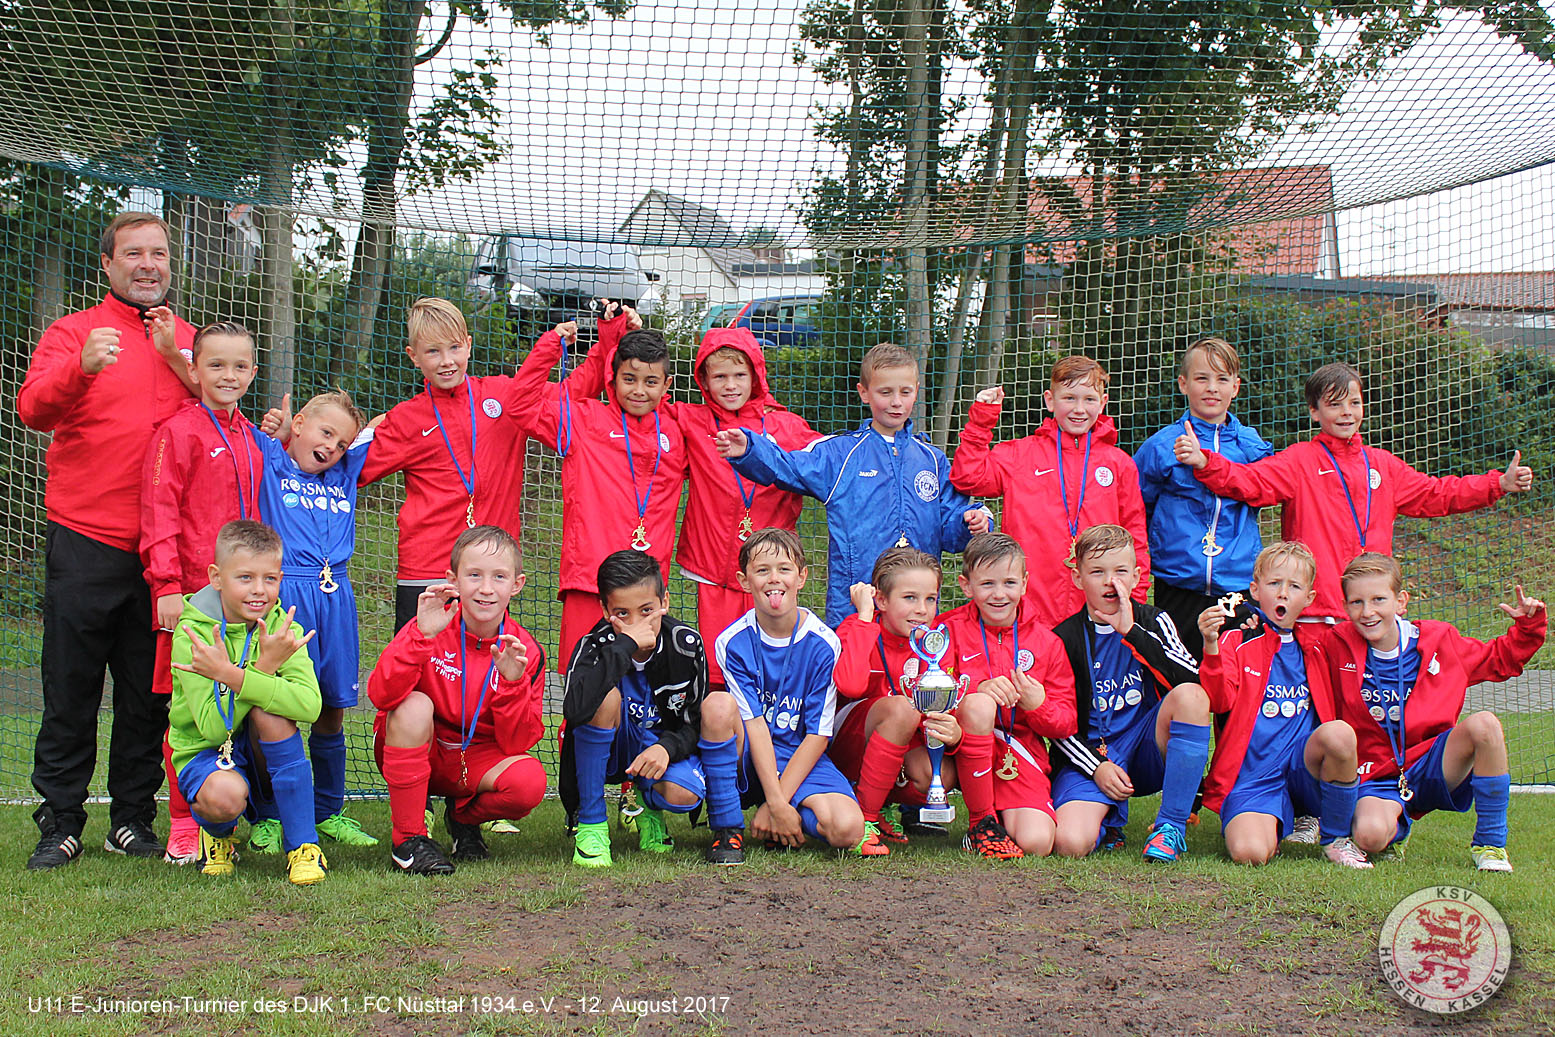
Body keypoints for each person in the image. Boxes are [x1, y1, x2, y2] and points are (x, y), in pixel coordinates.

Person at [17, 211, 197, 869]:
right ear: (108, 265)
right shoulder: (73, 334)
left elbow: (221, 406)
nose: (148, 263)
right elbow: (32, 407)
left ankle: (132, 818)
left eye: (158, 252)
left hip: (165, 553)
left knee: (148, 694)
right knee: (70, 686)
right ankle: (60, 820)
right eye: (134, 253)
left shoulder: (189, 339)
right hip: (85, 537)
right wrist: (81, 370)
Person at [1176, 361, 1534, 643]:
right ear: (1315, 412)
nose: (1346, 412)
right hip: (1316, 616)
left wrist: (1497, 484)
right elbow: (1251, 482)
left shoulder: (1382, 465)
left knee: (1372, 717)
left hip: (1373, 615)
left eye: (1354, 402)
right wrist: (1208, 462)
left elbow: (1437, 494)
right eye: (1334, 404)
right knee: (1321, 720)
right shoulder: (1300, 460)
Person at [351, 298, 603, 635]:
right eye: (433, 352)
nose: (447, 361)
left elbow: (570, 394)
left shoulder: (503, 396)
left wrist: (609, 341)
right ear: (413, 357)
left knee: (481, 673)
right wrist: (366, 432)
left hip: (489, 572)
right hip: (427, 569)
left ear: (468, 344)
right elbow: (351, 472)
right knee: (418, 671)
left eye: (454, 347)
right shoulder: (406, 419)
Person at [715, 342, 990, 626]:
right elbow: (788, 466)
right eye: (886, 392)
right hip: (855, 607)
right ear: (864, 393)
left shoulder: (932, 459)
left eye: (905, 392)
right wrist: (750, 449)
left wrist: (968, 523)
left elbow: (948, 529)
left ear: (916, 391)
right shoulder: (840, 454)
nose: (896, 402)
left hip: (916, 608)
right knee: (855, 669)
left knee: (914, 668)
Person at [1319, 552, 1546, 871]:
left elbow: (1501, 659)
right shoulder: (1335, 644)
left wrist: (1528, 627)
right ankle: (1394, 828)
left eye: (1378, 599)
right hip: (1377, 775)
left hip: (1432, 763)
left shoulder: (1440, 640)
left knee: (1485, 725)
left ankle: (1490, 845)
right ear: (1345, 607)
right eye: (1357, 602)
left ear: (1401, 602)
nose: (1368, 612)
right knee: (1369, 836)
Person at [141, 321, 264, 863]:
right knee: (187, 714)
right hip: (193, 595)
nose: (228, 375)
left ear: (252, 372)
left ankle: (244, 818)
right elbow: (158, 512)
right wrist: (167, 585)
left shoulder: (254, 437)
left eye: (239, 366)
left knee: (250, 699)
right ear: (193, 370)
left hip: (250, 598)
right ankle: (183, 821)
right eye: (216, 365)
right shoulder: (178, 431)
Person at [367, 526, 548, 875]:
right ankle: (409, 841)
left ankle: (461, 817)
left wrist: (512, 683)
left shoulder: (524, 650)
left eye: (499, 577)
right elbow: (380, 695)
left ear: (517, 584)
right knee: (413, 705)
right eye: (474, 575)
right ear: (453, 579)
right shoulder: (431, 623)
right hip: (421, 747)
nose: (485, 588)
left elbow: (517, 743)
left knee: (529, 782)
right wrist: (419, 636)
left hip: (475, 758)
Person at [512, 310, 687, 668]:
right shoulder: (585, 419)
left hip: (646, 590)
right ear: (614, 377)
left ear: (667, 385)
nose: (639, 390)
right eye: (629, 379)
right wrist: (551, 348)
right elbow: (520, 405)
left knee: (639, 695)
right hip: (589, 582)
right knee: (584, 688)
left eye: (650, 381)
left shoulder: (679, 429)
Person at [246, 391, 379, 853]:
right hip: (286, 598)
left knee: (332, 706)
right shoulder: (271, 461)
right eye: (326, 433)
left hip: (335, 599)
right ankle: (266, 813)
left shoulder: (344, 474)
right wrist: (276, 432)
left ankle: (329, 811)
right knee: (272, 708)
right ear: (298, 424)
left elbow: (382, 423)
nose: (332, 447)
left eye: (342, 442)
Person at [560, 550, 745, 867]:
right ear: (605, 610)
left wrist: (666, 748)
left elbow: (694, 723)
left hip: (658, 751)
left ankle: (650, 811)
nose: (636, 623)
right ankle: (591, 827)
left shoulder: (686, 645)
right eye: (623, 614)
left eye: (647, 611)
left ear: (665, 602)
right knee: (604, 697)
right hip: (612, 750)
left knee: (682, 794)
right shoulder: (593, 645)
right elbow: (574, 712)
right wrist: (624, 646)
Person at [167, 520, 326, 884]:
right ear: (216, 577)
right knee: (225, 797)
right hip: (207, 753)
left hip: (260, 751)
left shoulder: (283, 629)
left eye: (270, 579)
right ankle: (218, 835)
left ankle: (304, 845)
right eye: (245, 578)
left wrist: (240, 674)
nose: (260, 591)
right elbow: (211, 727)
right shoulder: (194, 634)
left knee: (270, 711)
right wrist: (265, 668)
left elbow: (309, 706)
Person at [1197, 541, 1371, 868]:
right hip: (1254, 777)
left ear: (1309, 598)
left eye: (1294, 586)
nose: (1283, 593)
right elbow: (1220, 700)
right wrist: (1210, 646)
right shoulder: (1237, 640)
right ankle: (1272, 821)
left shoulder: (1318, 648)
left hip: (1303, 769)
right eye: (1274, 583)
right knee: (1249, 853)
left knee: (1339, 734)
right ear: (1255, 589)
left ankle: (1335, 839)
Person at [1049, 525, 1210, 862]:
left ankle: (1170, 828)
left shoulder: (1155, 620)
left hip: (1146, 749)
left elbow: (1192, 680)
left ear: (1136, 576)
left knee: (1192, 699)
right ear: (1078, 578)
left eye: (1120, 571)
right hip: (1090, 757)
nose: (1111, 582)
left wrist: (1132, 633)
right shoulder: (1062, 639)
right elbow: (1055, 722)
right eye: (1098, 572)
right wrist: (1096, 768)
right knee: (1070, 844)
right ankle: (1107, 822)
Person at [950, 359, 1149, 628]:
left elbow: (1135, 536)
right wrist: (981, 420)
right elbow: (967, 477)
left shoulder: (1119, 464)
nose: (1079, 409)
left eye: (1089, 399)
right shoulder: (1019, 455)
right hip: (1030, 607)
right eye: (1069, 398)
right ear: (1050, 400)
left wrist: (1133, 601)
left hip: (1099, 611)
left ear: (1102, 403)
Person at [674, 327, 820, 687]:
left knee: (773, 662)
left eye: (740, 374)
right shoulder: (691, 420)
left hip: (772, 571)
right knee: (719, 664)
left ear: (756, 374)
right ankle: (720, 738)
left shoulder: (788, 427)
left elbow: (831, 466)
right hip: (713, 567)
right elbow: (638, 397)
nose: (730, 385)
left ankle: (774, 737)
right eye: (719, 376)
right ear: (703, 380)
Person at [714, 528, 870, 855]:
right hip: (749, 754)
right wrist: (774, 799)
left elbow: (817, 735)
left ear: (801, 577)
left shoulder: (824, 644)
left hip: (800, 752)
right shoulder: (732, 642)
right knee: (717, 707)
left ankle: (787, 818)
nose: (774, 579)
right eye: (762, 570)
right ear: (744, 581)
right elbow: (755, 725)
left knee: (848, 829)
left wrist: (777, 804)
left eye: (784, 569)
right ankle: (728, 826)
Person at [829, 547, 978, 856]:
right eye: (909, 598)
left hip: (899, 742)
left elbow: (937, 713)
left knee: (938, 774)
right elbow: (851, 685)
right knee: (900, 708)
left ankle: (879, 806)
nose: (922, 609)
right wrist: (866, 617)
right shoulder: (856, 628)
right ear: (881, 600)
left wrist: (955, 739)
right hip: (845, 746)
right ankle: (864, 821)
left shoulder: (935, 643)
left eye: (930, 599)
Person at [940, 533, 1079, 858]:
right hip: (957, 746)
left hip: (1016, 752)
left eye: (1009, 582)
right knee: (978, 704)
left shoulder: (1047, 642)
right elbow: (928, 694)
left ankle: (996, 822)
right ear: (966, 585)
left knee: (1037, 843)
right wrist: (974, 692)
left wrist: (1038, 705)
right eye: (987, 584)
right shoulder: (948, 630)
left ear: (1025, 583)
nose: (999, 594)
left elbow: (1066, 722)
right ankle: (982, 824)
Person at [1134, 337, 1273, 658]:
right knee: (1182, 680)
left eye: (1222, 379)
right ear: (1183, 384)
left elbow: (1265, 494)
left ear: (1235, 387)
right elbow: (1138, 508)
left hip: (1238, 584)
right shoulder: (1161, 447)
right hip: (1178, 584)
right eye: (1202, 378)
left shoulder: (1252, 447)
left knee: (1237, 684)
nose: (1212, 388)